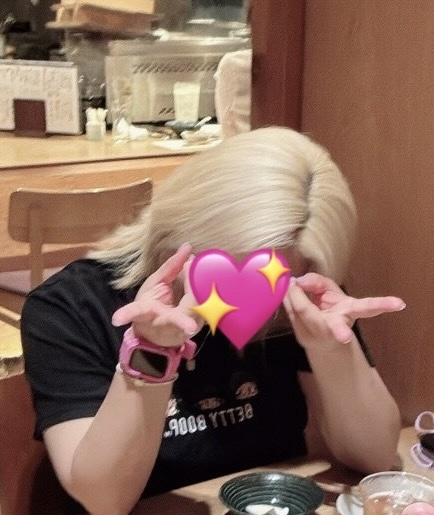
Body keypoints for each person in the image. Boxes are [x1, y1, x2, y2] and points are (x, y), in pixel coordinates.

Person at [21, 127, 404, 515]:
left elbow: (373, 458)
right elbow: (105, 500)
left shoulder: (298, 291)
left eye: (273, 284)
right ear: (176, 231)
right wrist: (153, 352)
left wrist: (333, 350)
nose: (251, 304)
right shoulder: (69, 307)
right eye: (231, 275)